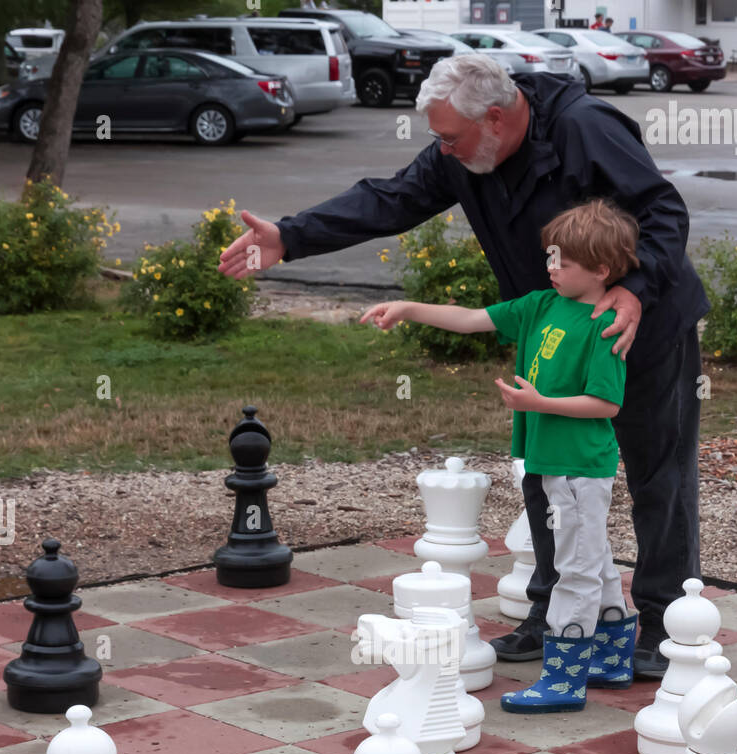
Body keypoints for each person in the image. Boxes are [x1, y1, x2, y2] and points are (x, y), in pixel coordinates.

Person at [218, 53, 709, 678]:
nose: (441, 150)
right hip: (553, 333)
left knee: (656, 476)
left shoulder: (584, 127)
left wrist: (636, 287)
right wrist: (290, 236)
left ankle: (667, 627)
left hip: (639, 324)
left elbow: (662, 210)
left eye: (449, 138)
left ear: (497, 120)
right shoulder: (465, 150)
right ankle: (554, 613)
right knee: (548, 471)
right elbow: (390, 199)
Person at [362, 197, 640, 711]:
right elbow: (470, 319)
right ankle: (613, 657)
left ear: (602, 270)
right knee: (593, 559)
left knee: (573, 571)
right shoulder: (539, 305)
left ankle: (563, 679)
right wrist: (407, 309)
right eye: (551, 256)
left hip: (580, 466)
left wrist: (539, 404)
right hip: (554, 463)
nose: (552, 267)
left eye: (565, 262)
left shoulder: (605, 327)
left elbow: (606, 402)